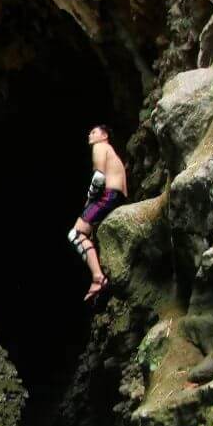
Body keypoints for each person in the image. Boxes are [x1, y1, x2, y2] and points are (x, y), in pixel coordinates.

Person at [68, 124, 127, 303]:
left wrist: (89, 200)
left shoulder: (100, 147)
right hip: (118, 196)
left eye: (93, 132)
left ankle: (98, 278)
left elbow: (99, 178)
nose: (90, 135)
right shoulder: (112, 152)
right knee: (90, 232)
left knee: (75, 234)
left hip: (108, 195)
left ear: (104, 135)